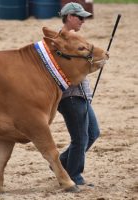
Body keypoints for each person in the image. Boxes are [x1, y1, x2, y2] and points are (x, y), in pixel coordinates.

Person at [57, 2, 100, 186]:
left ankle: (60, 164)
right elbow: (72, 69)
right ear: (69, 17)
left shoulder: (74, 38)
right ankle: (74, 176)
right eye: (80, 17)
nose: (83, 21)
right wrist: (94, 65)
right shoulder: (62, 40)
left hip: (80, 95)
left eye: (84, 17)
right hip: (71, 96)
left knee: (93, 133)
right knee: (80, 138)